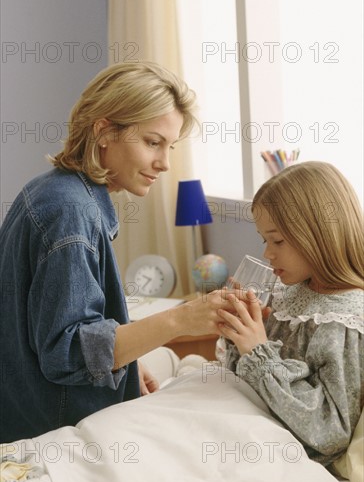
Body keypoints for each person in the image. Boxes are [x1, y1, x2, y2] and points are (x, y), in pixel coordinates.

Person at [0, 61, 236, 443]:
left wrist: (128, 357)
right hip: (52, 425)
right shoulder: (72, 215)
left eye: (170, 146)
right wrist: (179, 320)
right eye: (152, 142)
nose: (164, 163)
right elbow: (68, 352)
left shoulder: (50, 190)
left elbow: (51, 325)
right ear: (104, 131)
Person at [217, 161, 363, 467]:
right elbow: (243, 379)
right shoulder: (289, 294)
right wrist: (239, 336)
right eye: (264, 239)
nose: (267, 253)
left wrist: (259, 353)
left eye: (278, 240)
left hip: (274, 451)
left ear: (320, 234)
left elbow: (329, 431)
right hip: (242, 420)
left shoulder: (345, 321)